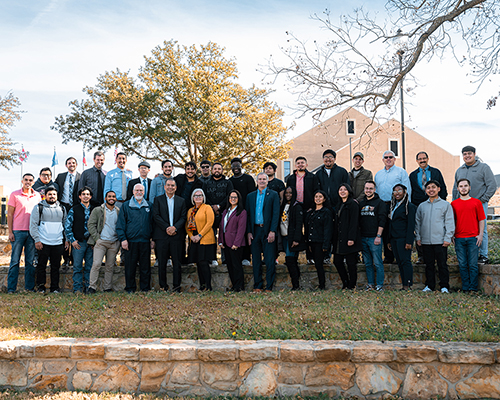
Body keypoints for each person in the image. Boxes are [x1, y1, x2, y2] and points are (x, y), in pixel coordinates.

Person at [452, 145, 496, 265]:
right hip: (462, 205)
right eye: (465, 154)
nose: (467, 156)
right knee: (464, 229)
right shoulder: (459, 170)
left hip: (479, 204)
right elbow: (455, 189)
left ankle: (483, 255)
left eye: (469, 153)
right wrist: (454, 204)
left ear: (474, 154)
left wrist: (483, 199)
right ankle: (471, 255)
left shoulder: (484, 167)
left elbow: (492, 185)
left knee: (483, 229)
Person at [416, 180, 455, 293]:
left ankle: (444, 286)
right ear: (425, 190)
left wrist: (448, 238)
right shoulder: (422, 206)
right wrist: (418, 237)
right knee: (429, 265)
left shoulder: (445, 205)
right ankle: (429, 286)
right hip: (426, 241)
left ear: (439, 189)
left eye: (433, 187)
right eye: (428, 188)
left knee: (442, 264)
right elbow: (417, 223)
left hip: (441, 241)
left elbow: (449, 222)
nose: (431, 190)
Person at [409, 151, 448, 263]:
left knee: (437, 226)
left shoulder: (436, 172)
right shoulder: (412, 175)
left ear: (428, 158)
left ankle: (438, 254)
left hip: (435, 204)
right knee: (420, 229)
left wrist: (441, 202)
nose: (422, 160)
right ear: (417, 161)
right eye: (420, 159)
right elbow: (411, 191)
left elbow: (443, 188)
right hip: (418, 206)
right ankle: (421, 256)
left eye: (424, 158)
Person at [29, 186, 69, 293]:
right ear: (45, 195)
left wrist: (66, 240)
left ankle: (54, 288)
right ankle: (41, 287)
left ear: (57, 196)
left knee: (55, 267)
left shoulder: (62, 208)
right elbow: (33, 225)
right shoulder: (38, 207)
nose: (52, 196)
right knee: (41, 266)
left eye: (54, 194)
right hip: (43, 242)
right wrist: (37, 240)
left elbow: (65, 225)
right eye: (50, 194)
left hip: (58, 242)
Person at [7, 173, 42, 293]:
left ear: (33, 182)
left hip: (32, 233)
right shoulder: (14, 195)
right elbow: (10, 214)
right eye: (26, 180)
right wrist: (10, 231)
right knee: (15, 261)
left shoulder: (37, 196)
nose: (28, 182)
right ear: (22, 181)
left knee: (30, 262)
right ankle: (11, 288)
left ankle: (29, 288)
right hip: (17, 232)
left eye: (30, 180)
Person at [374, 150, 411, 264]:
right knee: (384, 230)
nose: (388, 159)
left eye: (391, 157)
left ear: (394, 159)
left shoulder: (401, 172)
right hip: (381, 205)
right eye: (386, 157)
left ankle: (397, 255)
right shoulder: (378, 174)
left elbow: (407, 189)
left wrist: (405, 205)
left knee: (395, 229)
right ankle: (388, 256)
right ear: (383, 160)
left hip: (395, 204)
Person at [116, 183, 154, 293]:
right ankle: (130, 288)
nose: (139, 192)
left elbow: (153, 224)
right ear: (133, 192)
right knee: (130, 267)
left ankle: (145, 288)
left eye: (141, 190)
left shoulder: (149, 206)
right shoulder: (126, 206)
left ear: (144, 192)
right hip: (130, 242)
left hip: (145, 241)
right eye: (137, 190)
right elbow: (120, 224)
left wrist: (153, 239)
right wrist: (123, 239)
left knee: (145, 267)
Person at [246, 173, 280, 292]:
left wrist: (272, 231)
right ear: (256, 181)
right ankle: (258, 286)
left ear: (267, 181)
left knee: (270, 259)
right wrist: (249, 232)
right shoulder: (250, 196)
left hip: (267, 230)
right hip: (255, 230)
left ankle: (269, 287)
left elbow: (276, 214)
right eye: (259, 179)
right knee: (256, 260)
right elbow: (248, 215)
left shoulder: (273, 195)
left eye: (264, 179)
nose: (261, 181)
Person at [451, 178, 486, 292]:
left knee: (473, 265)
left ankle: (473, 288)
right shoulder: (454, 204)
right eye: (461, 186)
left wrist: (480, 235)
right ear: (458, 189)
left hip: (473, 238)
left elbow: (481, 220)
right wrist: (452, 235)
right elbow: (452, 221)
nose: (463, 188)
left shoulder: (476, 202)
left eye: (465, 186)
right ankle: (465, 287)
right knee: (462, 265)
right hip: (459, 239)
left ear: (469, 187)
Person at [153, 178, 187, 292]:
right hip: (162, 235)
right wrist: (167, 227)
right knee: (162, 262)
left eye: (172, 185)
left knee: (177, 263)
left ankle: (176, 286)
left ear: (176, 187)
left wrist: (175, 228)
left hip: (177, 236)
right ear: (164, 187)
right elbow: (156, 216)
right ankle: (163, 286)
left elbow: (183, 217)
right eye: (168, 185)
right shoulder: (158, 200)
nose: (170, 187)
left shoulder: (181, 201)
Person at [286, 156, 320, 264]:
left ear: (306, 164)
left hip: (308, 207)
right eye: (298, 163)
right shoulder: (291, 178)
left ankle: (310, 257)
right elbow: (288, 193)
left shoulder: (312, 177)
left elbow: (316, 192)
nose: (300, 165)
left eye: (302, 163)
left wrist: (313, 206)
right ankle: (294, 257)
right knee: (295, 230)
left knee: (309, 232)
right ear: (295, 165)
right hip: (295, 207)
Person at [87, 191, 121, 293]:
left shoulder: (118, 211)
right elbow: (91, 224)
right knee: (96, 264)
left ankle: (107, 287)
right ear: (105, 198)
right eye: (109, 196)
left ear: (116, 199)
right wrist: (97, 238)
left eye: (114, 197)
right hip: (101, 242)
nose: (112, 198)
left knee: (110, 266)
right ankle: (92, 287)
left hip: (113, 243)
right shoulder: (98, 210)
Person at [202, 162, 234, 266]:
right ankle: (212, 258)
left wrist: (219, 206)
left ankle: (225, 259)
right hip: (209, 212)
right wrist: (212, 207)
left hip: (225, 212)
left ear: (222, 170)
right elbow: (204, 196)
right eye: (215, 169)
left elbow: (230, 196)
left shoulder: (227, 182)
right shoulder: (206, 183)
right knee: (211, 236)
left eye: (219, 169)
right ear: (212, 170)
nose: (217, 170)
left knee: (225, 235)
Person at [64, 187, 94, 293]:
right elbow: (67, 226)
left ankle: (88, 287)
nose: (85, 196)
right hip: (78, 243)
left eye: (87, 194)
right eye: (83, 194)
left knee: (89, 267)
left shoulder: (94, 209)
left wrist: (95, 241)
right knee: (77, 267)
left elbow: (98, 226)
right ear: (80, 196)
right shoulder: (74, 209)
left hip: (91, 243)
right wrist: (72, 240)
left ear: (90, 196)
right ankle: (77, 288)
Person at [359, 180, 387, 291]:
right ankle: (370, 284)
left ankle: (379, 285)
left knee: (378, 263)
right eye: (366, 188)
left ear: (374, 190)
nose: (368, 190)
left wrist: (378, 236)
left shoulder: (380, 203)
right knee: (367, 263)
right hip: (363, 237)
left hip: (374, 238)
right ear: (364, 190)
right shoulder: (361, 203)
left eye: (371, 188)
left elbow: (382, 220)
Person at [186, 189, 216, 291]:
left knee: (204, 263)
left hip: (205, 239)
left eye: (200, 195)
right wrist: (191, 236)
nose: (198, 197)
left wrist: (199, 235)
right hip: (194, 240)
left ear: (203, 197)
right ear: (192, 198)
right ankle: (202, 286)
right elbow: (187, 225)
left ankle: (208, 286)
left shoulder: (207, 208)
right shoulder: (190, 210)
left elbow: (210, 223)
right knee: (198, 263)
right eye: (196, 195)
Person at [333, 184, 362, 290]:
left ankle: (352, 285)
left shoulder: (353, 204)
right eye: (340, 189)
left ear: (349, 191)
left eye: (345, 189)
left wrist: (351, 238)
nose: (343, 191)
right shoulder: (339, 204)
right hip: (339, 238)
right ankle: (345, 282)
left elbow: (354, 222)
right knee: (337, 261)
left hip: (349, 238)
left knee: (351, 263)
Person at [219, 190, 248, 292]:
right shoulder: (226, 211)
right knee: (230, 266)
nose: (233, 199)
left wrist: (236, 243)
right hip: (226, 243)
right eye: (231, 197)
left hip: (236, 244)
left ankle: (239, 287)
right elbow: (222, 227)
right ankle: (234, 285)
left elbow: (241, 229)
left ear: (238, 199)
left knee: (236, 266)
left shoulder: (242, 212)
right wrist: (220, 241)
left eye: (235, 197)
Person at [388, 184, 416, 290]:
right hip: (394, 238)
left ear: (405, 192)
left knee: (405, 261)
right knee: (399, 262)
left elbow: (411, 225)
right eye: (395, 191)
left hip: (403, 238)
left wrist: (409, 241)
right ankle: (404, 284)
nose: (397, 193)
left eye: (399, 190)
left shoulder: (409, 206)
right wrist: (389, 240)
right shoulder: (393, 205)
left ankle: (408, 284)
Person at [55, 156, 81, 268]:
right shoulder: (61, 176)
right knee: (64, 232)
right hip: (63, 206)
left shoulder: (81, 176)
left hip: (76, 206)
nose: (71, 164)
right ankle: (65, 259)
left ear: (76, 164)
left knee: (75, 230)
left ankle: (75, 258)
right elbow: (54, 187)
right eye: (69, 163)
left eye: (73, 163)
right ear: (66, 165)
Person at [229, 158, 255, 266]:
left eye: (237, 165)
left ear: (241, 166)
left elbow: (253, 195)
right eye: (233, 166)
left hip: (247, 210)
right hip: (235, 211)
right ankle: (236, 257)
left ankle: (246, 257)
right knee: (235, 234)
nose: (235, 168)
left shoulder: (248, 179)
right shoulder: (230, 181)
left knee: (246, 233)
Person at [279, 186, 306, 290]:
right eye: (286, 193)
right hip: (284, 236)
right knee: (292, 261)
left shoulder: (297, 206)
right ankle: (296, 284)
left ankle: (295, 285)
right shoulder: (283, 205)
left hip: (292, 238)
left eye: (290, 193)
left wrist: (296, 239)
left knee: (290, 259)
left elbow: (299, 224)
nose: (288, 195)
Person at [306, 190, 333, 290]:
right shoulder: (311, 212)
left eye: (320, 197)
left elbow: (328, 229)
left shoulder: (326, 212)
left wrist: (326, 245)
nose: (318, 198)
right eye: (316, 196)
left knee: (319, 264)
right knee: (315, 264)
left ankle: (322, 285)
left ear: (324, 199)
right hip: (311, 241)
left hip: (320, 242)